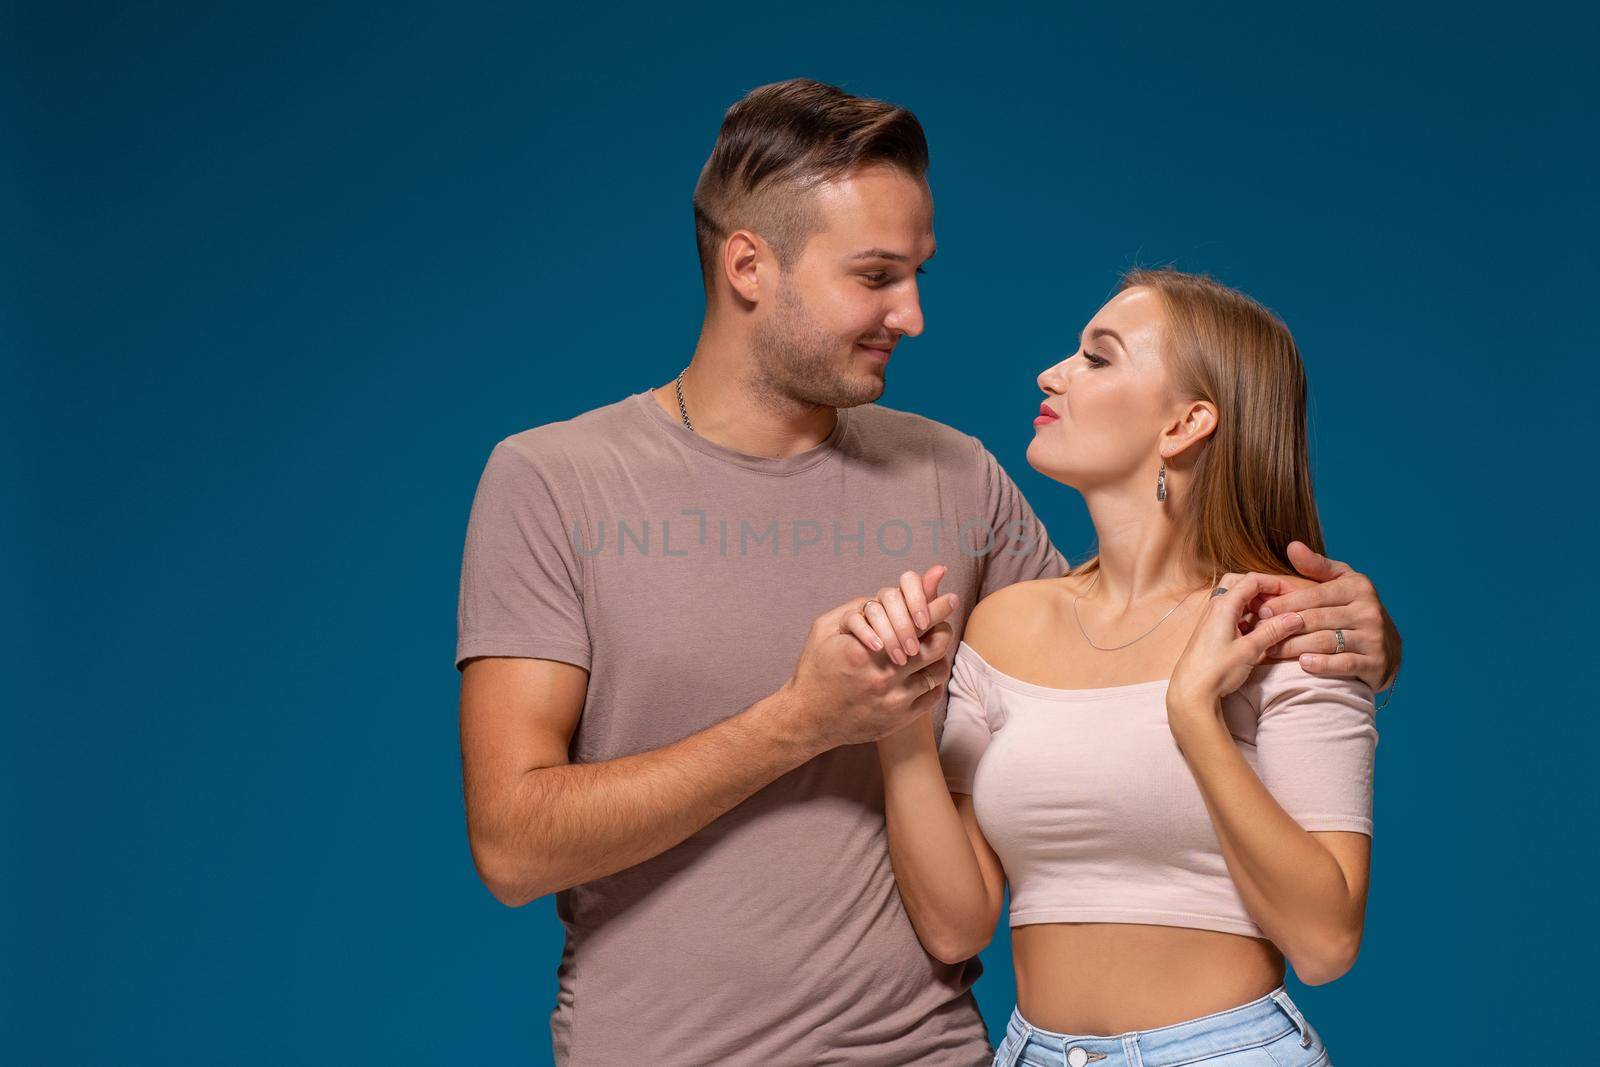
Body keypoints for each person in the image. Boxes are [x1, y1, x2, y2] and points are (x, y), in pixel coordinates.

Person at [454, 79, 1400, 1065]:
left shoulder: (956, 478)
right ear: (749, 266)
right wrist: (796, 721)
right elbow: (514, 846)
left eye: (916, 272)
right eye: (874, 275)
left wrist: (1355, 632)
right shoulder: (555, 482)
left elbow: (1126, 639)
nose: (910, 313)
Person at [847, 269, 1383, 1066]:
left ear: (1186, 422)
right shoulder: (1006, 624)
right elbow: (958, 924)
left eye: (1098, 358)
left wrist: (1195, 715)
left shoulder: (1286, 629)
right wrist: (898, 725)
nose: (1051, 373)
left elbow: (1326, 940)